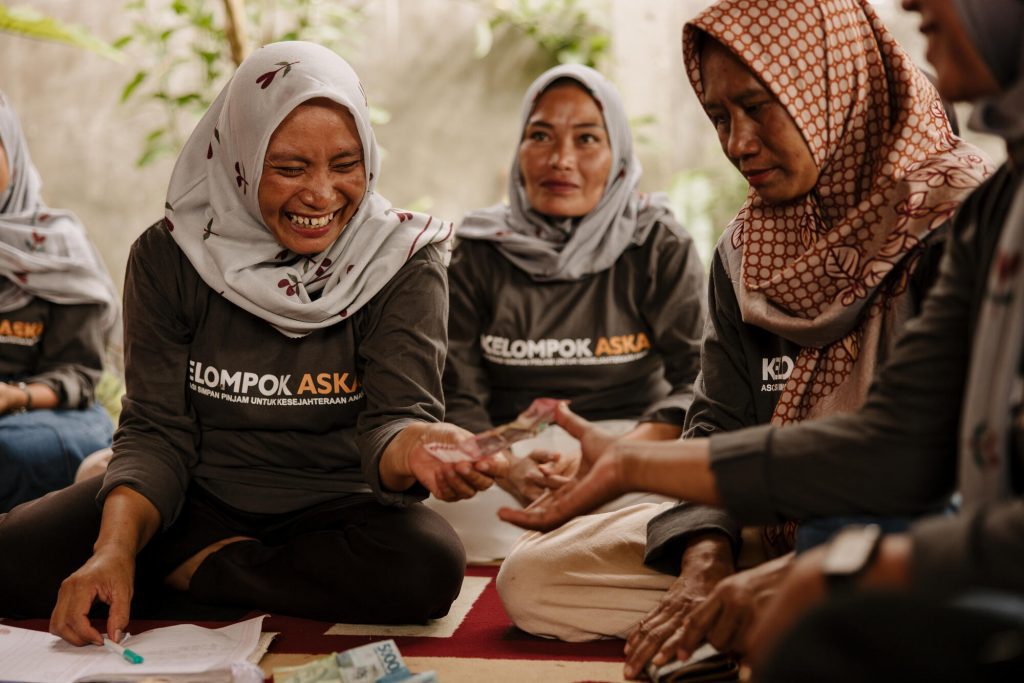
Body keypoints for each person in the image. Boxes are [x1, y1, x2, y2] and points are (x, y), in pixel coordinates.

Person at [501, 0, 1024, 678]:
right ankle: (745, 610)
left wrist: (833, 567)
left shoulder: (952, 216)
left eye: (757, 106)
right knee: (534, 580)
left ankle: (777, 614)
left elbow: (905, 461)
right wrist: (701, 554)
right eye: (720, 117)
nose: (738, 142)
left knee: (827, 586)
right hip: (767, 517)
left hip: (912, 531)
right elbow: (721, 419)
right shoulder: (749, 251)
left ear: (830, 93)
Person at [0, 41, 503, 645]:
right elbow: (157, 431)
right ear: (238, 155)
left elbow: (395, 421)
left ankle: (194, 572)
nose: (322, 194)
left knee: (428, 569)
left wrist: (421, 446)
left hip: (337, 507)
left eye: (346, 164)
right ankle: (175, 561)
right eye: (289, 168)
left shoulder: (400, 260)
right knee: (11, 559)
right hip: (192, 497)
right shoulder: (172, 255)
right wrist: (113, 548)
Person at [435, 64, 705, 561]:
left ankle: (556, 549)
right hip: (511, 441)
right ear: (518, 150)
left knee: (690, 499)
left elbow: (699, 382)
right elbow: (457, 393)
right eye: (540, 135)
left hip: (630, 436)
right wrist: (508, 466)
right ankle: (577, 547)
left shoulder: (658, 243)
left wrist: (618, 459)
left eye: (586, 139)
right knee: (433, 512)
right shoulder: (478, 249)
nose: (561, 160)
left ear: (618, 154)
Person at [0, 91, 118, 513]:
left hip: (42, 412)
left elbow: (79, 376)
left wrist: (13, 396)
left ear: (11, 148)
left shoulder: (56, 249)